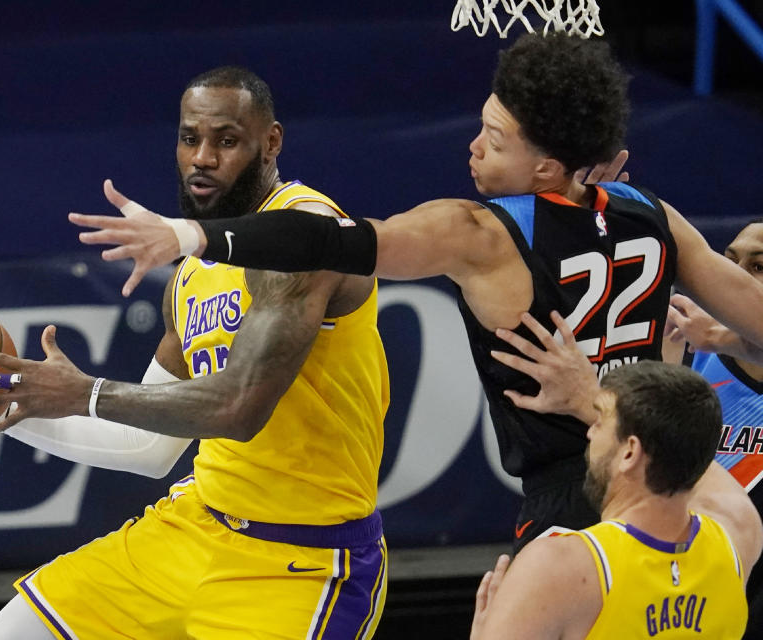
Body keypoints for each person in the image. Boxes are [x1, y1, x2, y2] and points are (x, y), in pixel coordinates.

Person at [67, 32, 763, 552]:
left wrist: (193, 238)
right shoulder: (654, 214)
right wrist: (729, 339)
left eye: (494, 137)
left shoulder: (476, 233)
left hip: (577, 500)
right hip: (687, 494)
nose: (474, 147)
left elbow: (331, 241)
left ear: (546, 164)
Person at [0, 66, 391, 639]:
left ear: (271, 143)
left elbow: (238, 408)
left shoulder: (306, 234)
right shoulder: (190, 275)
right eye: (191, 138)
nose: (203, 158)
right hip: (193, 530)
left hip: (300, 564)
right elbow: (146, 448)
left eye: (227, 140)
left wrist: (84, 394)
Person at [469, 315, 763, 639]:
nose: (591, 430)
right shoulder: (739, 532)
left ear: (630, 452)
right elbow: (696, 455)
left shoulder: (559, 568)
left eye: (600, 419)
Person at [660, 218, 763, 640]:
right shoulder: (683, 363)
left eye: (759, 266)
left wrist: (727, 339)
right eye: (730, 261)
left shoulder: (712, 341)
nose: (736, 277)